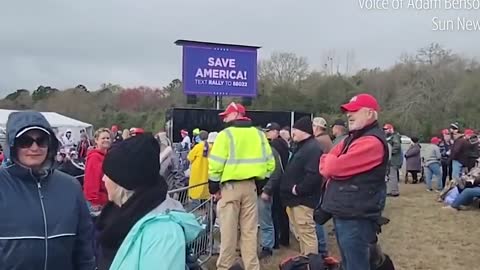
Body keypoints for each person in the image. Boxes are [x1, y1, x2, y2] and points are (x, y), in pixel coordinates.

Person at [0, 111, 95, 269]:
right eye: (25, 141)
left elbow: (83, 247)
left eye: (41, 140)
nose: (34, 147)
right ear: (12, 145)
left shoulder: (70, 186)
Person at [96, 134, 203, 270]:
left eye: (108, 175)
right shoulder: (116, 214)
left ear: (123, 182)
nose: (104, 179)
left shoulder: (163, 234)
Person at [320, 93, 388, 270]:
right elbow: (328, 160)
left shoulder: (371, 142)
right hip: (347, 213)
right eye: (348, 111)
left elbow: (330, 168)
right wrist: (330, 161)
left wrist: (331, 162)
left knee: (356, 265)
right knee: (348, 264)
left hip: (356, 217)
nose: (349, 115)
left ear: (370, 113)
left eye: (355, 111)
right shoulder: (354, 137)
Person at [208, 102, 275, 270]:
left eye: (227, 115)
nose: (225, 119)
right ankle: (252, 267)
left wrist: (214, 188)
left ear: (237, 114)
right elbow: (270, 164)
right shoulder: (259, 135)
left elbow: (215, 164)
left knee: (228, 234)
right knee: (250, 233)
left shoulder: (225, 135)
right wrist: (260, 183)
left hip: (230, 189)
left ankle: (225, 267)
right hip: (251, 187)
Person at [280, 116, 325, 256]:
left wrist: (298, 189)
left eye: (295, 130)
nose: (292, 133)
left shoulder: (312, 148)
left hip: (303, 200)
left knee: (307, 233)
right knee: (301, 234)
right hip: (294, 200)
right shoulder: (303, 146)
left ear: (303, 131)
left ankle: (312, 262)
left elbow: (313, 175)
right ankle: (306, 260)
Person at [263, 122, 291, 250]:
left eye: (269, 131)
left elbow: (275, 166)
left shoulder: (275, 145)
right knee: (282, 212)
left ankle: (275, 242)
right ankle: (284, 238)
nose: (267, 134)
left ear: (276, 131)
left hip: (277, 181)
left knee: (275, 212)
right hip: (284, 180)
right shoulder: (284, 143)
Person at [84, 128, 112, 215]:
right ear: (96, 140)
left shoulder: (107, 156)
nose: (106, 140)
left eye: (108, 138)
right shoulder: (95, 157)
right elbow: (91, 180)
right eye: (103, 138)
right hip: (97, 203)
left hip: (106, 200)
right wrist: (94, 201)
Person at [187, 130, 210, 201]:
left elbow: (189, 157)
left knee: (195, 189)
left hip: (197, 172)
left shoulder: (197, 147)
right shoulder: (211, 146)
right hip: (207, 171)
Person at [384, 123, 402, 196]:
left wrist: (389, 152)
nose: (384, 131)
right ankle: (390, 190)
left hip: (394, 160)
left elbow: (397, 146)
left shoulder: (395, 137)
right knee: (389, 176)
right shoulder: (390, 137)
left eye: (386, 129)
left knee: (393, 175)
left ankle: (394, 192)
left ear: (390, 129)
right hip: (390, 160)